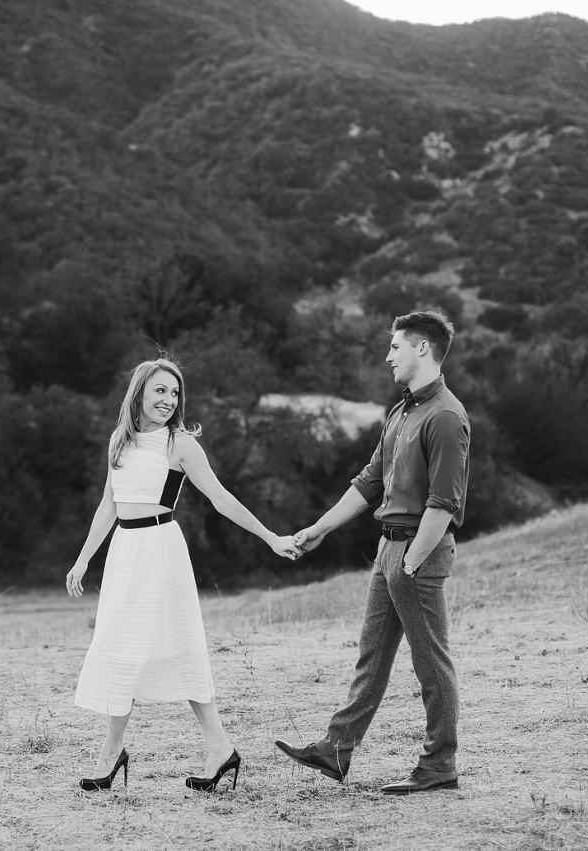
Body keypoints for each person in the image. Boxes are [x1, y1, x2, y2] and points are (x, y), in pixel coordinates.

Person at [66, 357, 300, 793]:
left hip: (161, 551)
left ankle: (216, 749)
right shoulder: (120, 439)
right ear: (139, 392)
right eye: (160, 391)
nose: (169, 401)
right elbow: (108, 506)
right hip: (124, 553)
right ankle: (116, 753)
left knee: (181, 648)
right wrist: (83, 560)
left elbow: (222, 498)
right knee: (119, 650)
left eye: (174, 394)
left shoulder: (180, 445)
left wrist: (269, 536)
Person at [276, 310, 470, 794]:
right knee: (372, 656)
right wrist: (319, 528)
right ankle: (336, 749)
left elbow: (443, 504)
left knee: (431, 664)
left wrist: (410, 562)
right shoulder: (402, 411)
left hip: (416, 555)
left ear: (422, 349)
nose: (388, 356)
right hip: (389, 551)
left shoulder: (446, 417)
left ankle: (439, 765)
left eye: (396, 346)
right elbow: (369, 483)